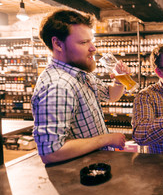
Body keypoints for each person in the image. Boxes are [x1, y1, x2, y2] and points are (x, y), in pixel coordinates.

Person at [32, 9, 129, 164]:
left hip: (94, 168)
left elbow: (111, 95)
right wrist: (106, 139)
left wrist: (118, 81)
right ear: (57, 44)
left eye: (91, 41)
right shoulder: (58, 85)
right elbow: (51, 152)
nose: (93, 48)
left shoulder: (80, 74)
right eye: (84, 42)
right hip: (78, 176)